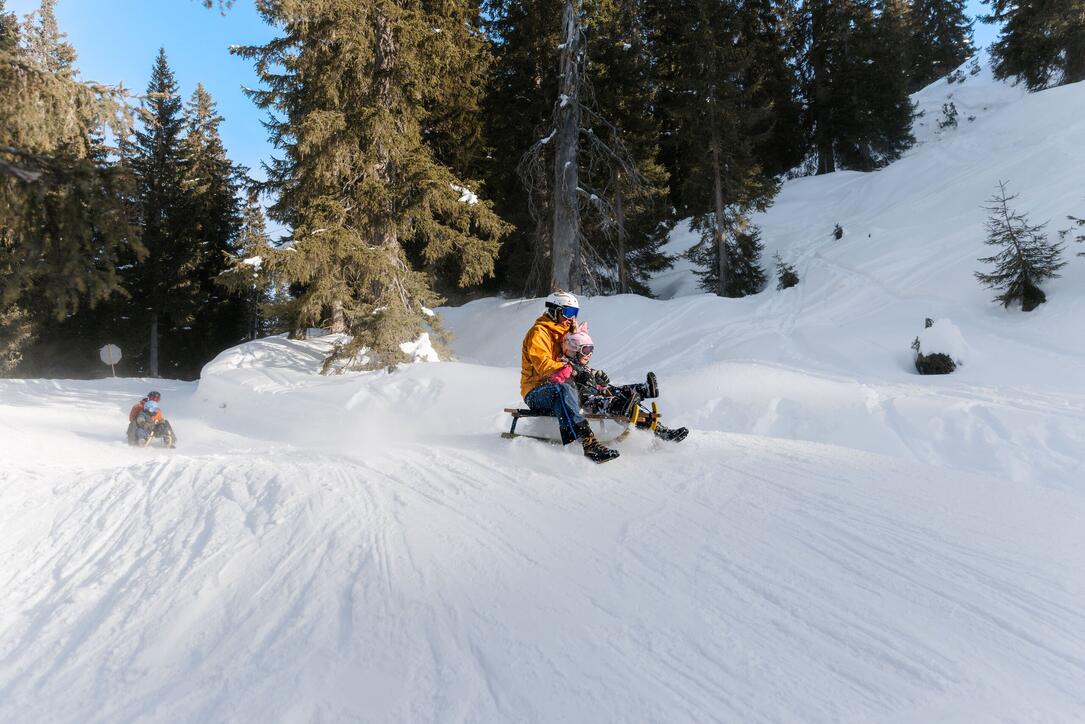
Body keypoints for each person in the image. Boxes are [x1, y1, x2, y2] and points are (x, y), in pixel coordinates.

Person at [520, 291, 619, 463]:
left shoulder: (565, 332)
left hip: (563, 388)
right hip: (536, 392)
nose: (571, 318)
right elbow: (543, 365)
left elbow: (577, 357)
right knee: (561, 389)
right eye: (568, 313)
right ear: (554, 311)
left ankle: (648, 427)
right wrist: (571, 370)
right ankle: (588, 442)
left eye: (575, 314)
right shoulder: (538, 333)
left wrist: (589, 373)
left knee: (596, 389)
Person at [562, 329, 689, 442]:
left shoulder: (584, 367)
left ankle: (645, 392)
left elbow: (597, 384)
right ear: (573, 351)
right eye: (586, 350)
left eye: (591, 350)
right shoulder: (565, 367)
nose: (589, 354)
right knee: (613, 401)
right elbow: (561, 384)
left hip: (597, 395)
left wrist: (599, 379)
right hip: (583, 402)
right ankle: (623, 406)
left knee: (619, 392)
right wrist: (573, 377)